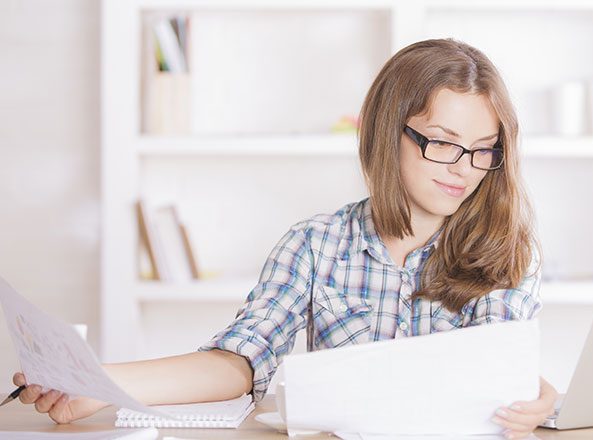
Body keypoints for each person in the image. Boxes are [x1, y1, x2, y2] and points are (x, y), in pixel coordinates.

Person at [11, 38, 556, 439]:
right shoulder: (315, 245)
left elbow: (497, 382)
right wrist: (96, 383)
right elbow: (240, 362)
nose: (464, 168)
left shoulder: (508, 253)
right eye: (442, 142)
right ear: (386, 134)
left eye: (484, 149)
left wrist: (540, 397)